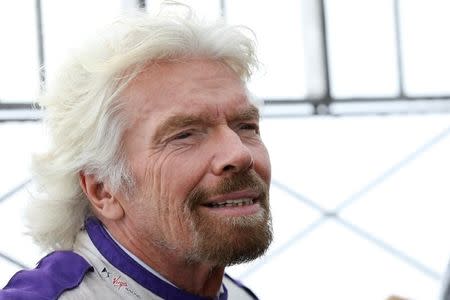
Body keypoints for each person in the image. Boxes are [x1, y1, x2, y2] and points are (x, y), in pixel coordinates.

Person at [0, 6, 272, 300]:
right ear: (103, 190)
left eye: (246, 126)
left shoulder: (236, 293)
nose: (239, 153)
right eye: (185, 134)